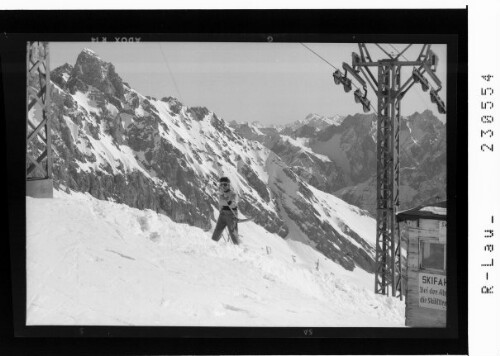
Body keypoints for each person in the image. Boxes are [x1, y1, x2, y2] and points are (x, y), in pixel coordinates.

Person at [211, 176, 240, 245]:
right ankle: (213, 245)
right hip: (223, 214)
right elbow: (221, 203)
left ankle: (238, 250)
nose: (223, 186)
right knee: (217, 231)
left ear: (229, 185)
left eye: (225, 184)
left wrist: (229, 201)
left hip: (231, 214)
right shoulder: (221, 194)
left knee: (233, 233)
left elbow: (234, 204)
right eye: (221, 184)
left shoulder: (233, 194)